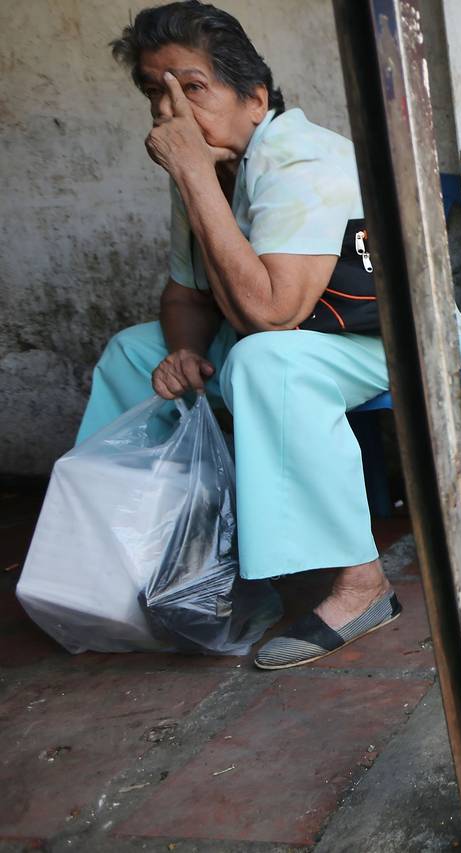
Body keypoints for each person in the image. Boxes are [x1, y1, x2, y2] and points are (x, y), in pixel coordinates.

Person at [80, 1, 398, 668]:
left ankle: (362, 583)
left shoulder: (300, 160)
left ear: (255, 97)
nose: (171, 112)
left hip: (386, 341)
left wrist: (195, 175)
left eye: (190, 87)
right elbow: (187, 293)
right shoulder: (208, 166)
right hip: (293, 335)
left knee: (263, 360)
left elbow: (272, 313)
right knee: (130, 355)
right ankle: (126, 563)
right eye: (154, 92)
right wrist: (184, 350)